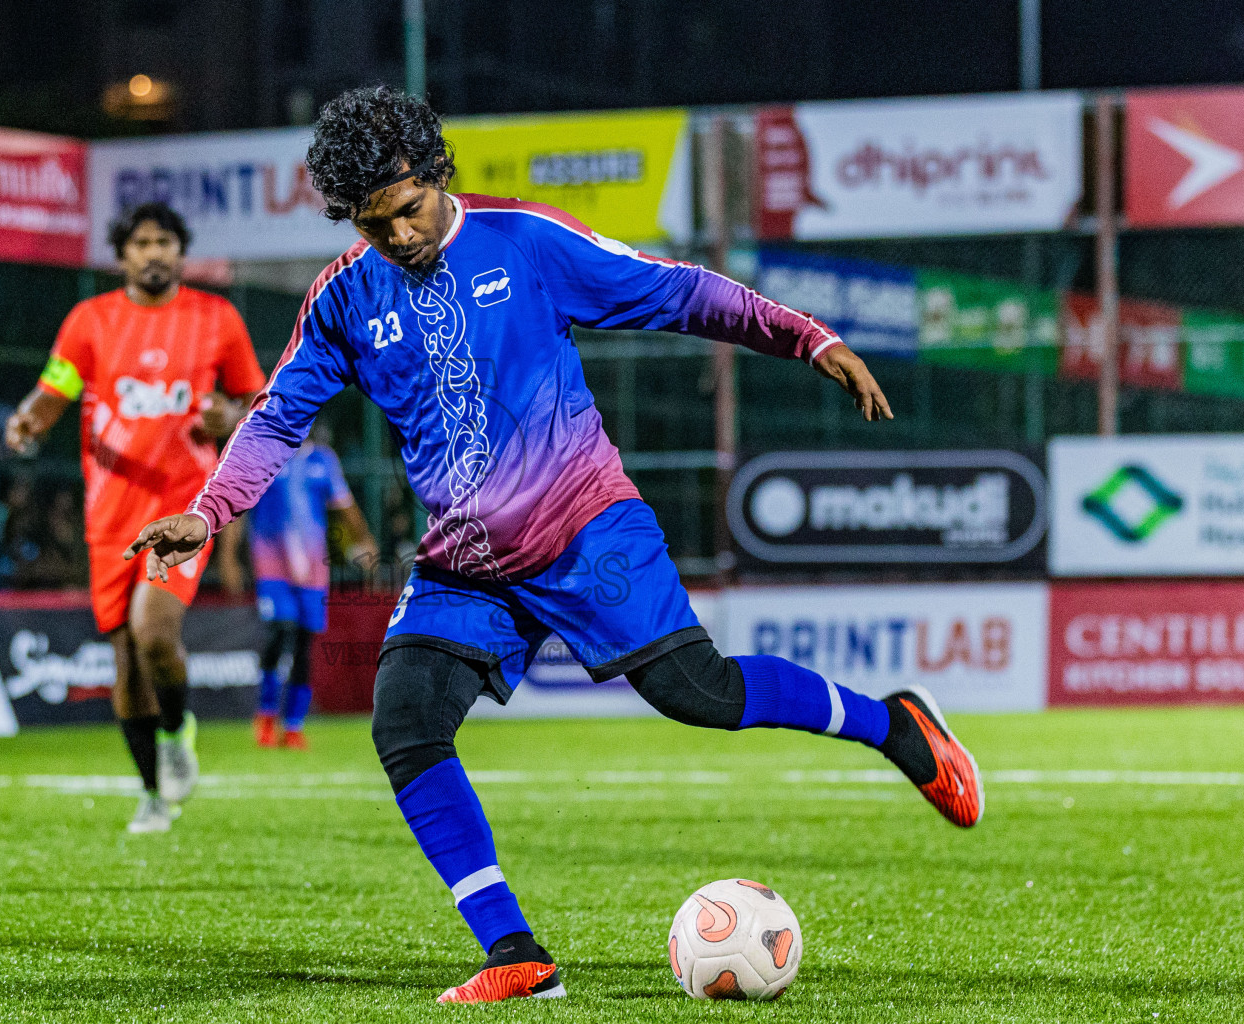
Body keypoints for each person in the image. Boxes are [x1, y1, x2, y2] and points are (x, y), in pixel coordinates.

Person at [126, 87, 982, 1000]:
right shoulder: (342, 298)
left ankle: (896, 724)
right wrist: (208, 512)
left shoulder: (527, 240)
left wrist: (808, 339)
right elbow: (275, 418)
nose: (400, 238)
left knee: (701, 695)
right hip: (466, 567)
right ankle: (516, 957)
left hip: (583, 529)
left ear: (439, 175)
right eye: (376, 228)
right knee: (406, 722)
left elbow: (682, 292)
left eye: (409, 212)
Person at [7, 201, 266, 833]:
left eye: (166, 242)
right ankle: (152, 792)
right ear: (122, 255)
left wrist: (228, 421)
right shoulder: (90, 321)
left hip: (183, 505)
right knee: (126, 658)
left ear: (181, 252)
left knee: (154, 632)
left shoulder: (216, 318)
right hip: (109, 515)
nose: (154, 253)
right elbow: (54, 391)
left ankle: (178, 730)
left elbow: (258, 403)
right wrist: (27, 422)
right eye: (142, 243)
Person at [219, 422, 377, 750]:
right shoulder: (265, 458)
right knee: (280, 632)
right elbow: (240, 509)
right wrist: (229, 557)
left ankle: (293, 726)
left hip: (313, 572)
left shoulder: (324, 459)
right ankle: (265, 715)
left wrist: (365, 542)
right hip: (272, 567)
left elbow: (345, 507)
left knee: (305, 645)